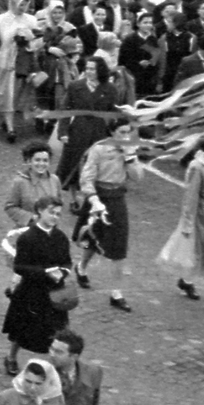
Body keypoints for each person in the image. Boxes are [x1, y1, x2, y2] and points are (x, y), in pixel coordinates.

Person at [73, 123, 144, 311]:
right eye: (122, 132)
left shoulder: (130, 150)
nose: (126, 136)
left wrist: (130, 157)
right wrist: (95, 201)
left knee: (119, 246)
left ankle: (116, 293)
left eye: (129, 132)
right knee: (91, 240)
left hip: (117, 199)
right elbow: (86, 178)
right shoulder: (99, 149)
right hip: (98, 198)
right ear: (112, 132)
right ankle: (81, 267)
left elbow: (138, 177)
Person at [3, 197, 74, 376]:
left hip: (55, 291)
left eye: (58, 214)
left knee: (56, 330)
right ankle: (11, 357)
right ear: (39, 211)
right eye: (51, 212)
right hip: (31, 292)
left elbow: (67, 262)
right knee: (23, 329)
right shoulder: (28, 237)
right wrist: (44, 273)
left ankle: (54, 364)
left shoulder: (60, 237)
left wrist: (63, 272)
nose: (55, 217)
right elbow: (19, 266)